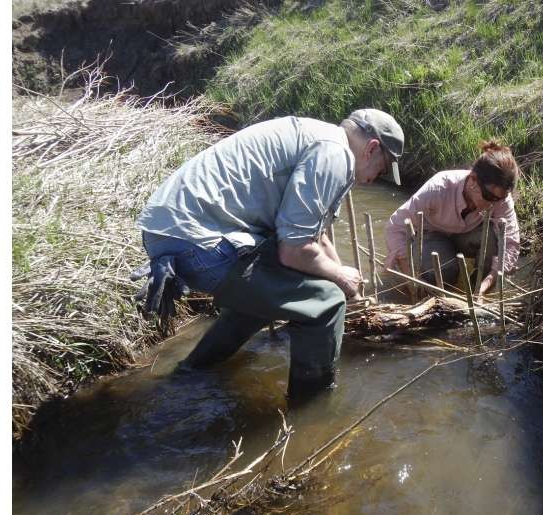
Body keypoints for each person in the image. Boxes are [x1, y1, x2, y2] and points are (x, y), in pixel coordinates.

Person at [133, 109, 404, 399]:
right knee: (325, 304)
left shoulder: (321, 138)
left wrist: (349, 288)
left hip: (167, 231)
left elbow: (314, 234)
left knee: (268, 291)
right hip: (196, 240)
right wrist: (339, 281)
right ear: (372, 148)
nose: (378, 178)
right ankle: (312, 408)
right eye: (383, 168)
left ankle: (191, 372)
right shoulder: (334, 154)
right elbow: (294, 250)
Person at [384, 140, 520, 298]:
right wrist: (410, 275)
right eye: (489, 196)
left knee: (495, 241)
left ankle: (476, 291)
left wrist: (484, 286)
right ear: (473, 180)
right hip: (432, 234)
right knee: (443, 275)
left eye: (499, 199)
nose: (493, 203)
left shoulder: (499, 199)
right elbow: (395, 227)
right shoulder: (439, 188)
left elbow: (510, 244)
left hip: (468, 235)